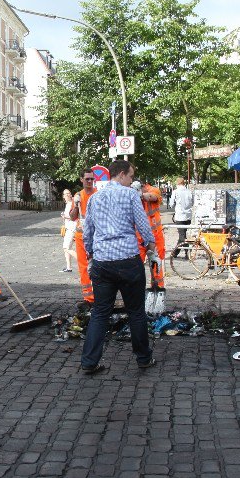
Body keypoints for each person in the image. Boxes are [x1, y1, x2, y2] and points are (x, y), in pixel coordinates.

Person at [80, 160, 160, 375]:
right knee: (136, 312)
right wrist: (151, 246)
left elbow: (88, 231)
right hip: (127, 261)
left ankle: (89, 361)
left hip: (102, 262)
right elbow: (142, 224)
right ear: (122, 174)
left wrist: (90, 254)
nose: (132, 180)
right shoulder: (130, 195)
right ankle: (143, 358)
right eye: (131, 176)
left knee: (100, 313)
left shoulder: (94, 199)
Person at [68, 168, 97, 304]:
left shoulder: (98, 194)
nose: (90, 181)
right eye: (87, 179)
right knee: (83, 267)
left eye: (92, 179)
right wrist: (76, 204)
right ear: (81, 180)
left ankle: (99, 295)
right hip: (81, 237)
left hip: (97, 236)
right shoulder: (78, 195)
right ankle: (88, 297)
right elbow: (73, 217)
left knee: (98, 266)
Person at [133, 179, 166, 289]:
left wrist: (141, 194)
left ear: (143, 186)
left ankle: (158, 288)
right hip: (138, 238)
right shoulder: (131, 193)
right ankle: (136, 292)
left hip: (155, 236)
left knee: (156, 265)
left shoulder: (153, 190)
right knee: (136, 267)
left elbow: (152, 197)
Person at [169, 177, 194, 257]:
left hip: (180, 216)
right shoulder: (189, 192)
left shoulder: (175, 192)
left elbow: (171, 204)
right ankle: (184, 253)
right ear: (184, 183)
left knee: (182, 235)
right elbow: (192, 202)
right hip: (188, 216)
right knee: (184, 234)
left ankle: (178, 252)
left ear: (177, 183)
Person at [59, 189, 76, 272]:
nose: (67, 195)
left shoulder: (72, 203)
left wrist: (65, 217)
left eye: (69, 193)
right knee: (66, 248)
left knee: (66, 248)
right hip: (68, 228)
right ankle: (68, 267)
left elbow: (75, 216)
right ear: (63, 196)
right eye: (66, 194)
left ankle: (83, 261)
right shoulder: (68, 204)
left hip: (72, 228)